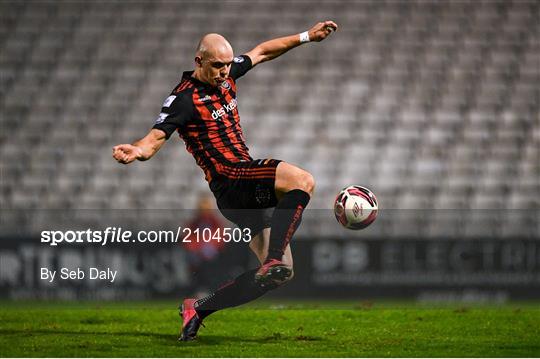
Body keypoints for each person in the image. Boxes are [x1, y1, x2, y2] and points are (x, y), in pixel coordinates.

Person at [112, 20, 338, 341]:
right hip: (231, 178)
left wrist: (306, 37)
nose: (223, 72)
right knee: (302, 180)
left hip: (238, 196)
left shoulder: (228, 72)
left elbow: (261, 52)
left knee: (279, 274)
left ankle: (198, 308)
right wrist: (137, 150)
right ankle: (273, 256)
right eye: (216, 66)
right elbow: (156, 136)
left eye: (227, 65)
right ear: (198, 62)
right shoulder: (184, 99)